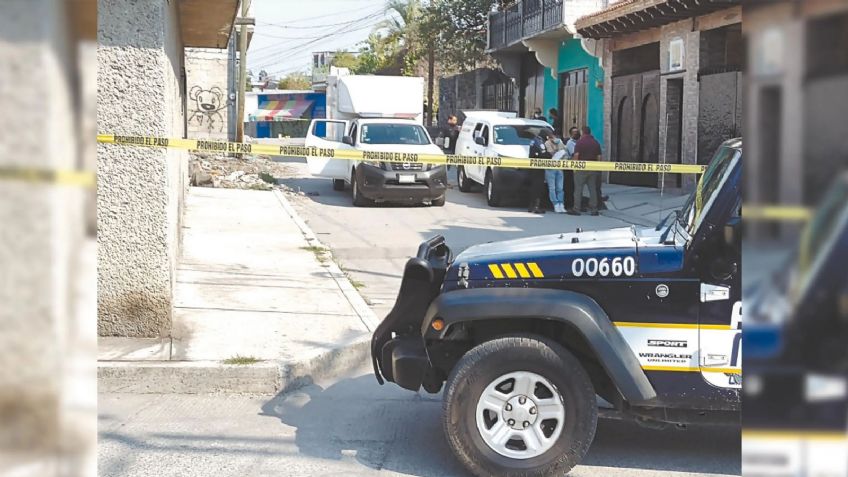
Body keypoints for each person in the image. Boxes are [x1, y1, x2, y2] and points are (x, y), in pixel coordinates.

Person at [568, 126, 603, 216]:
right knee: (592, 189)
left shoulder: (580, 143)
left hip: (581, 168)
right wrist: (597, 168)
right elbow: (599, 157)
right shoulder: (596, 143)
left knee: (578, 189)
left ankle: (577, 209)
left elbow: (576, 155)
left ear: (583, 132)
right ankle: (594, 209)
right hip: (593, 168)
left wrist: (574, 168)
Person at [527, 132, 549, 214]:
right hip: (538, 168)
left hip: (532, 167)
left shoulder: (533, 140)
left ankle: (531, 206)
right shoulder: (539, 142)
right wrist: (550, 155)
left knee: (533, 187)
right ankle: (537, 207)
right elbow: (543, 153)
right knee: (538, 187)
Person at [544, 133, 567, 213]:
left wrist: (560, 151)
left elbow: (565, 152)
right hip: (550, 168)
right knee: (552, 188)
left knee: (560, 188)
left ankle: (561, 204)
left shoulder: (560, 142)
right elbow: (551, 154)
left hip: (559, 168)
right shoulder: (547, 143)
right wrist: (559, 151)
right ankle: (555, 204)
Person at [563, 126, 580, 210]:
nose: (576, 134)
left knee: (576, 187)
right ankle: (569, 204)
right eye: (574, 132)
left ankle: (575, 204)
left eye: (577, 132)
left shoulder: (579, 142)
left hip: (578, 168)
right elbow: (574, 154)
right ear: (571, 134)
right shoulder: (570, 143)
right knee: (570, 187)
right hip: (570, 168)